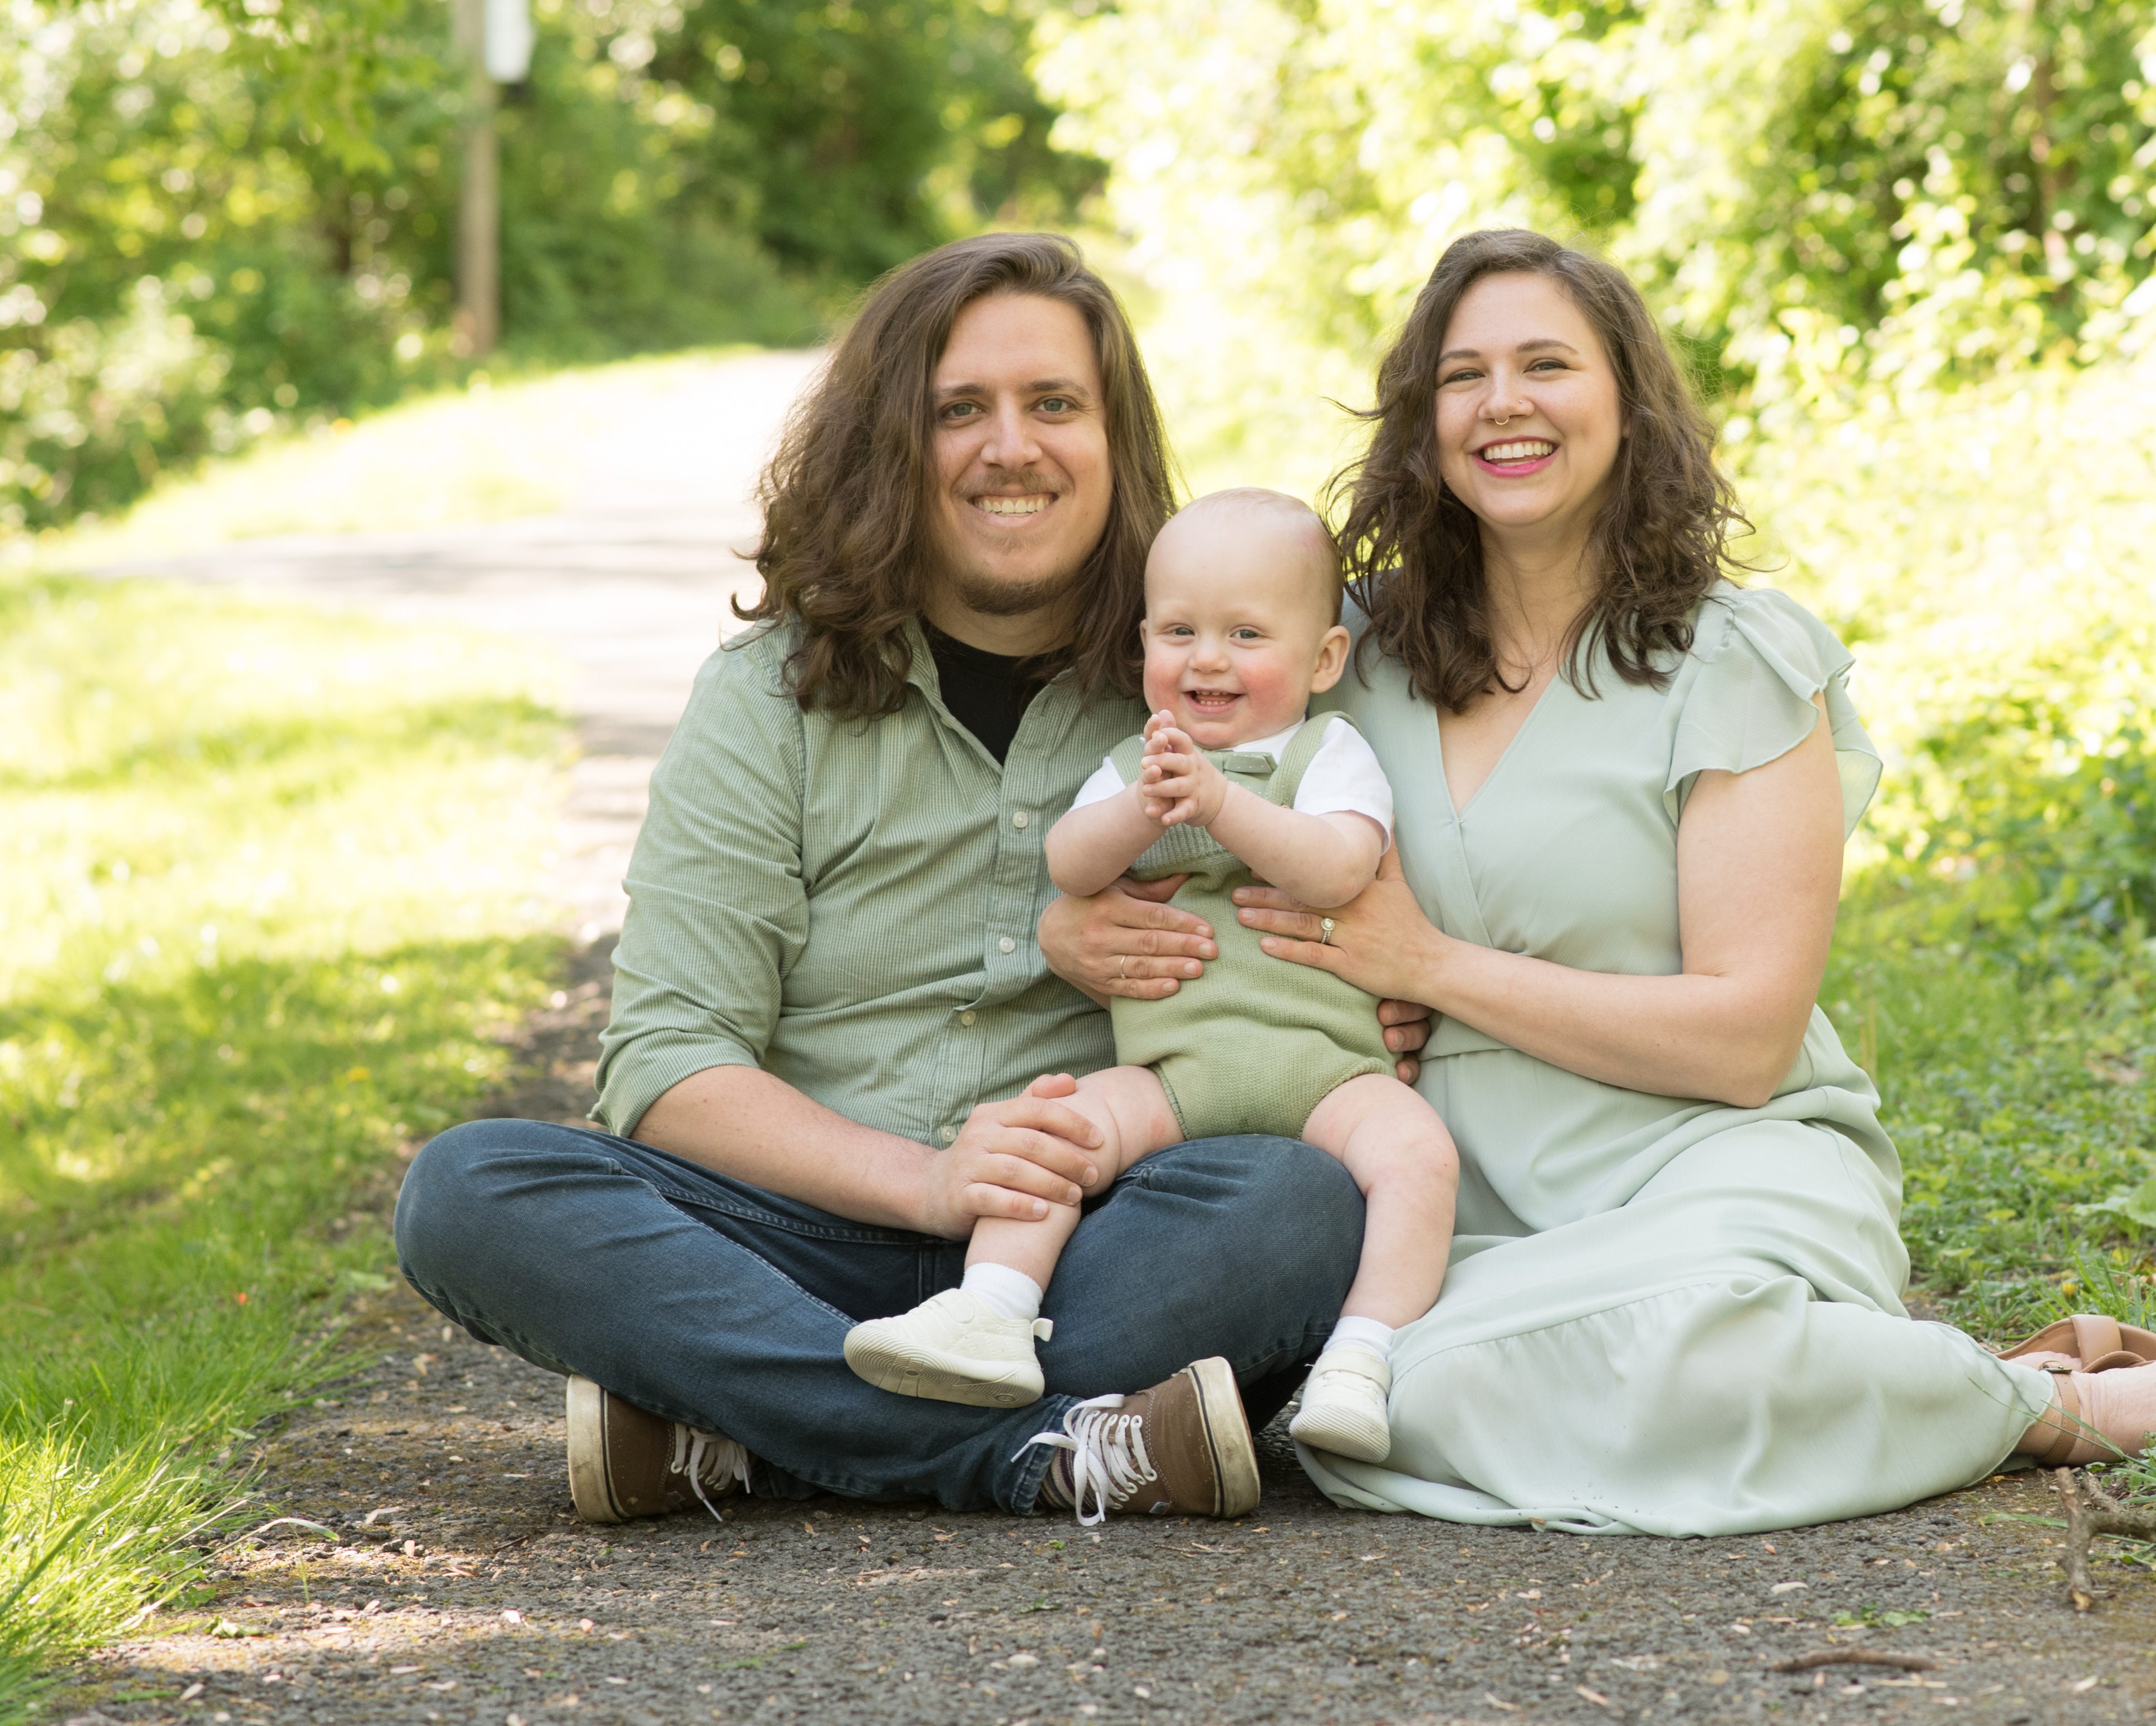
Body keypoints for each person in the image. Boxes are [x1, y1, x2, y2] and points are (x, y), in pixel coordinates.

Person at [1042, 227, 2156, 1534]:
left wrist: (1429, 969)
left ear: (1628, 405)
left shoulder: (1731, 657)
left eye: (1546, 364)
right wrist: (1080, 928)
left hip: (1713, 1153)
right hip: (1455, 1190)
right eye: (1463, 376)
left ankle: (2037, 1401)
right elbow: (1161, 796)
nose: (1504, 403)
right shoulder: (1347, 655)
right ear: (1422, 424)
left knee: (1694, 1334)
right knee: (1403, 1385)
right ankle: (1944, 1382)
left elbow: (1746, 1039)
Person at [391, 233, 1431, 1527]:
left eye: (1055, 404)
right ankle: (1034, 1449)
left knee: (1295, 1204)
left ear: (1116, 442)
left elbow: (1408, 840)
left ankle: (747, 1425)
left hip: (1089, 1236)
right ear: (893, 441)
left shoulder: (1216, 666)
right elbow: (667, 1066)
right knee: (474, 1189)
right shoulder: (770, 698)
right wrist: (932, 1183)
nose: (1013, 446)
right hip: (788, 1232)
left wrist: (1392, 989)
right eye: (960, 410)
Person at [842, 489, 1458, 1473]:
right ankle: (991, 1313)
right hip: (1173, 1071)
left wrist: (1218, 803)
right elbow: (1072, 861)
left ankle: (1362, 1356)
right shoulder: (1135, 762)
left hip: (1332, 1074)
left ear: (1324, 659)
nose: (1206, 658)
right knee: (1050, 1131)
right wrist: (1142, 808)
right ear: (1143, 650)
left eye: (1245, 634)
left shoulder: (1322, 753)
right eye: (1179, 632)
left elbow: (1339, 866)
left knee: (1419, 1159)